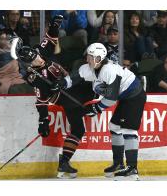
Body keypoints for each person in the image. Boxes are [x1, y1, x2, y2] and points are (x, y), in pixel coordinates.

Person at [12, 15, 95, 178]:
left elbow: (49, 39)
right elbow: (41, 101)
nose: (38, 57)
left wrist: (54, 25)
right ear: (28, 64)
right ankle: (64, 162)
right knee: (81, 120)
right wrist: (43, 121)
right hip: (66, 98)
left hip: (71, 86)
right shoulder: (35, 78)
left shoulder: (40, 52)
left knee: (80, 125)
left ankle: (64, 163)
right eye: (34, 59)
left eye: (36, 54)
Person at [52, 43, 147, 180]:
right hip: (125, 96)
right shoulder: (90, 68)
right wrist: (61, 84)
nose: (87, 59)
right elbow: (73, 78)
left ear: (98, 58)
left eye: (90, 57)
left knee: (128, 130)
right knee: (114, 126)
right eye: (88, 56)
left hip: (134, 96)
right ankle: (119, 164)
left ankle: (132, 168)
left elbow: (111, 99)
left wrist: (95, 108)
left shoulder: (108, 70)